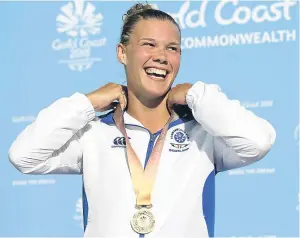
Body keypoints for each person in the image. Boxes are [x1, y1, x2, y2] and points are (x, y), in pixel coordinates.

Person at [8, 3, 276, 238]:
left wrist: (195, 94)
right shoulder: (94, 134)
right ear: (122, 53)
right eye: (148, 44)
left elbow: (258, 142)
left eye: (172, 48)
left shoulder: (202, 134)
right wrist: (87, 102)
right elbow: (24, 156)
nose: (161, 56)